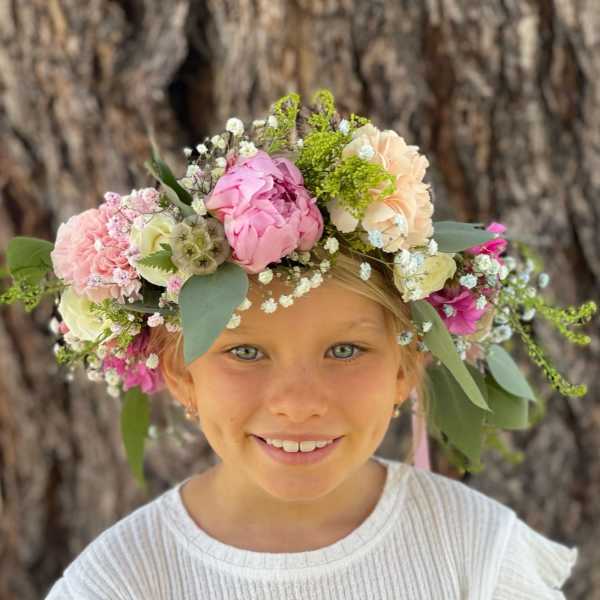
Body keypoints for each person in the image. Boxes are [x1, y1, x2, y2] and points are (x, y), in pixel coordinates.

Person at [1, 90, 589, 598]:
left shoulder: (479, 554)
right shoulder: (121, 582)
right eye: (245, 352)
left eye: (345, 351)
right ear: (181, 375)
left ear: (405, 368)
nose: (298, 403)